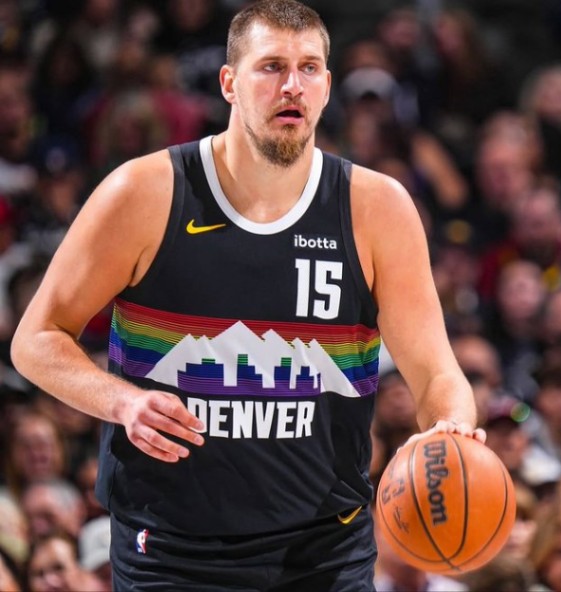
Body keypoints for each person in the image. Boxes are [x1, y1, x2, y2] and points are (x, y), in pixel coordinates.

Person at [10, 1, 483, 590]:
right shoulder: (143, 193)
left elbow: (436, 373)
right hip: (172, 549)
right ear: (229, 83)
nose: (293, 86)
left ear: (327, 86)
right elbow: (36, 339)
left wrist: (450, 429)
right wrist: (122, 402)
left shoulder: (377, 208)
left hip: (325, 549)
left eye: (309, 68)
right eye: (272, 67)